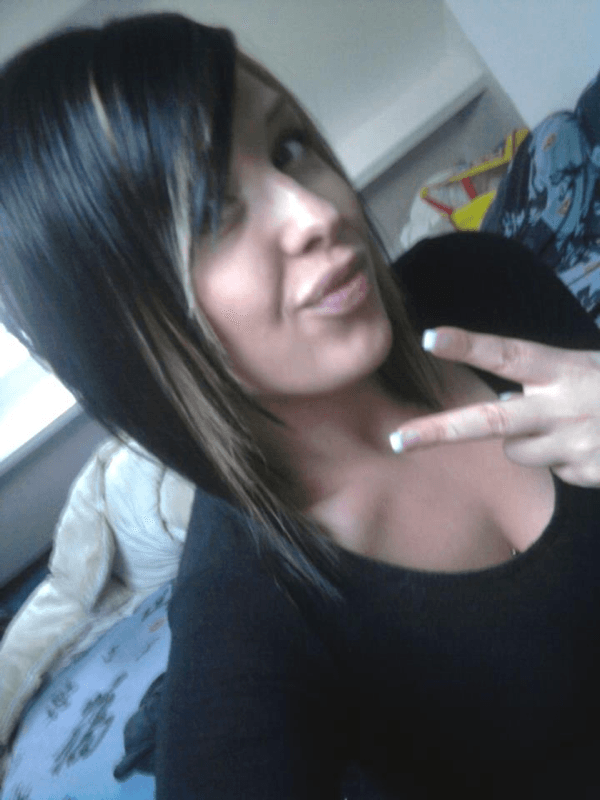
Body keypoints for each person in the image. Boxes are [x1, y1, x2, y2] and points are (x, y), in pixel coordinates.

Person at [2, 12, 600, 799]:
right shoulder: (246, 621)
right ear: (116, 327)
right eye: (209, 211)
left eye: (288, 148)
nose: (317, 214)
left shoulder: (480, 281)